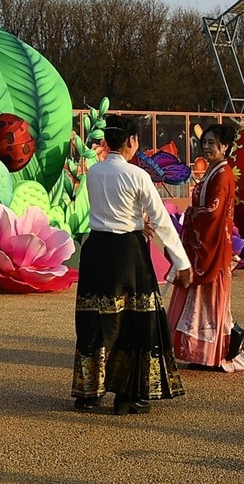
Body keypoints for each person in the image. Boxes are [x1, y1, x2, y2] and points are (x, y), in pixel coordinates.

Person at [72, 116, 193, 415]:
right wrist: (182, 261)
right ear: (132, 142)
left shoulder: (94, 173)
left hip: (97, 249)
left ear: (106, 142)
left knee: (94, 321)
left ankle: (88, 392)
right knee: (133, 321)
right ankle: (127, 394)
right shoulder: (138, 176)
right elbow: (162, 220)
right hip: (128, 251)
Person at [166, 123, 244, 371]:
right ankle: (200, 353)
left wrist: (192, 215)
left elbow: (214, 212)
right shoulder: (214, 171)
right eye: (204, 142)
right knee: (200, 302)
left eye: (212, 143)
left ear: (224, 147)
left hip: (213, 246)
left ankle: (213, 355)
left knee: (210, 301)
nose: (206, 147)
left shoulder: (223, 174)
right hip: (207, 242)